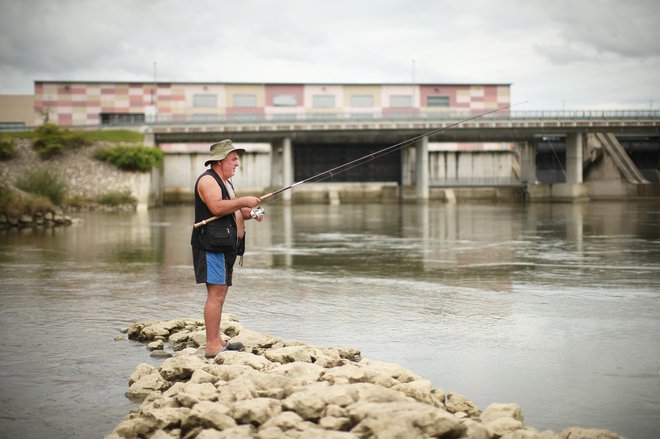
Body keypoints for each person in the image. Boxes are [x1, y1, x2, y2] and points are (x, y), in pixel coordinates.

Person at [191, 139, 264, 358]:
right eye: (233, 159)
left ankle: (217, 339)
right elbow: (216, 207)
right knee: (216, 293)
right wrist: (243, 201)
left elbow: (232, 212)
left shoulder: (225, 182)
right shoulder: (208, 181)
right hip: (211, 247)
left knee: (220, 292)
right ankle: (212, 346)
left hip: (225, 246)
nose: (237, 164)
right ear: (220, 160)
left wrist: (251, 213)